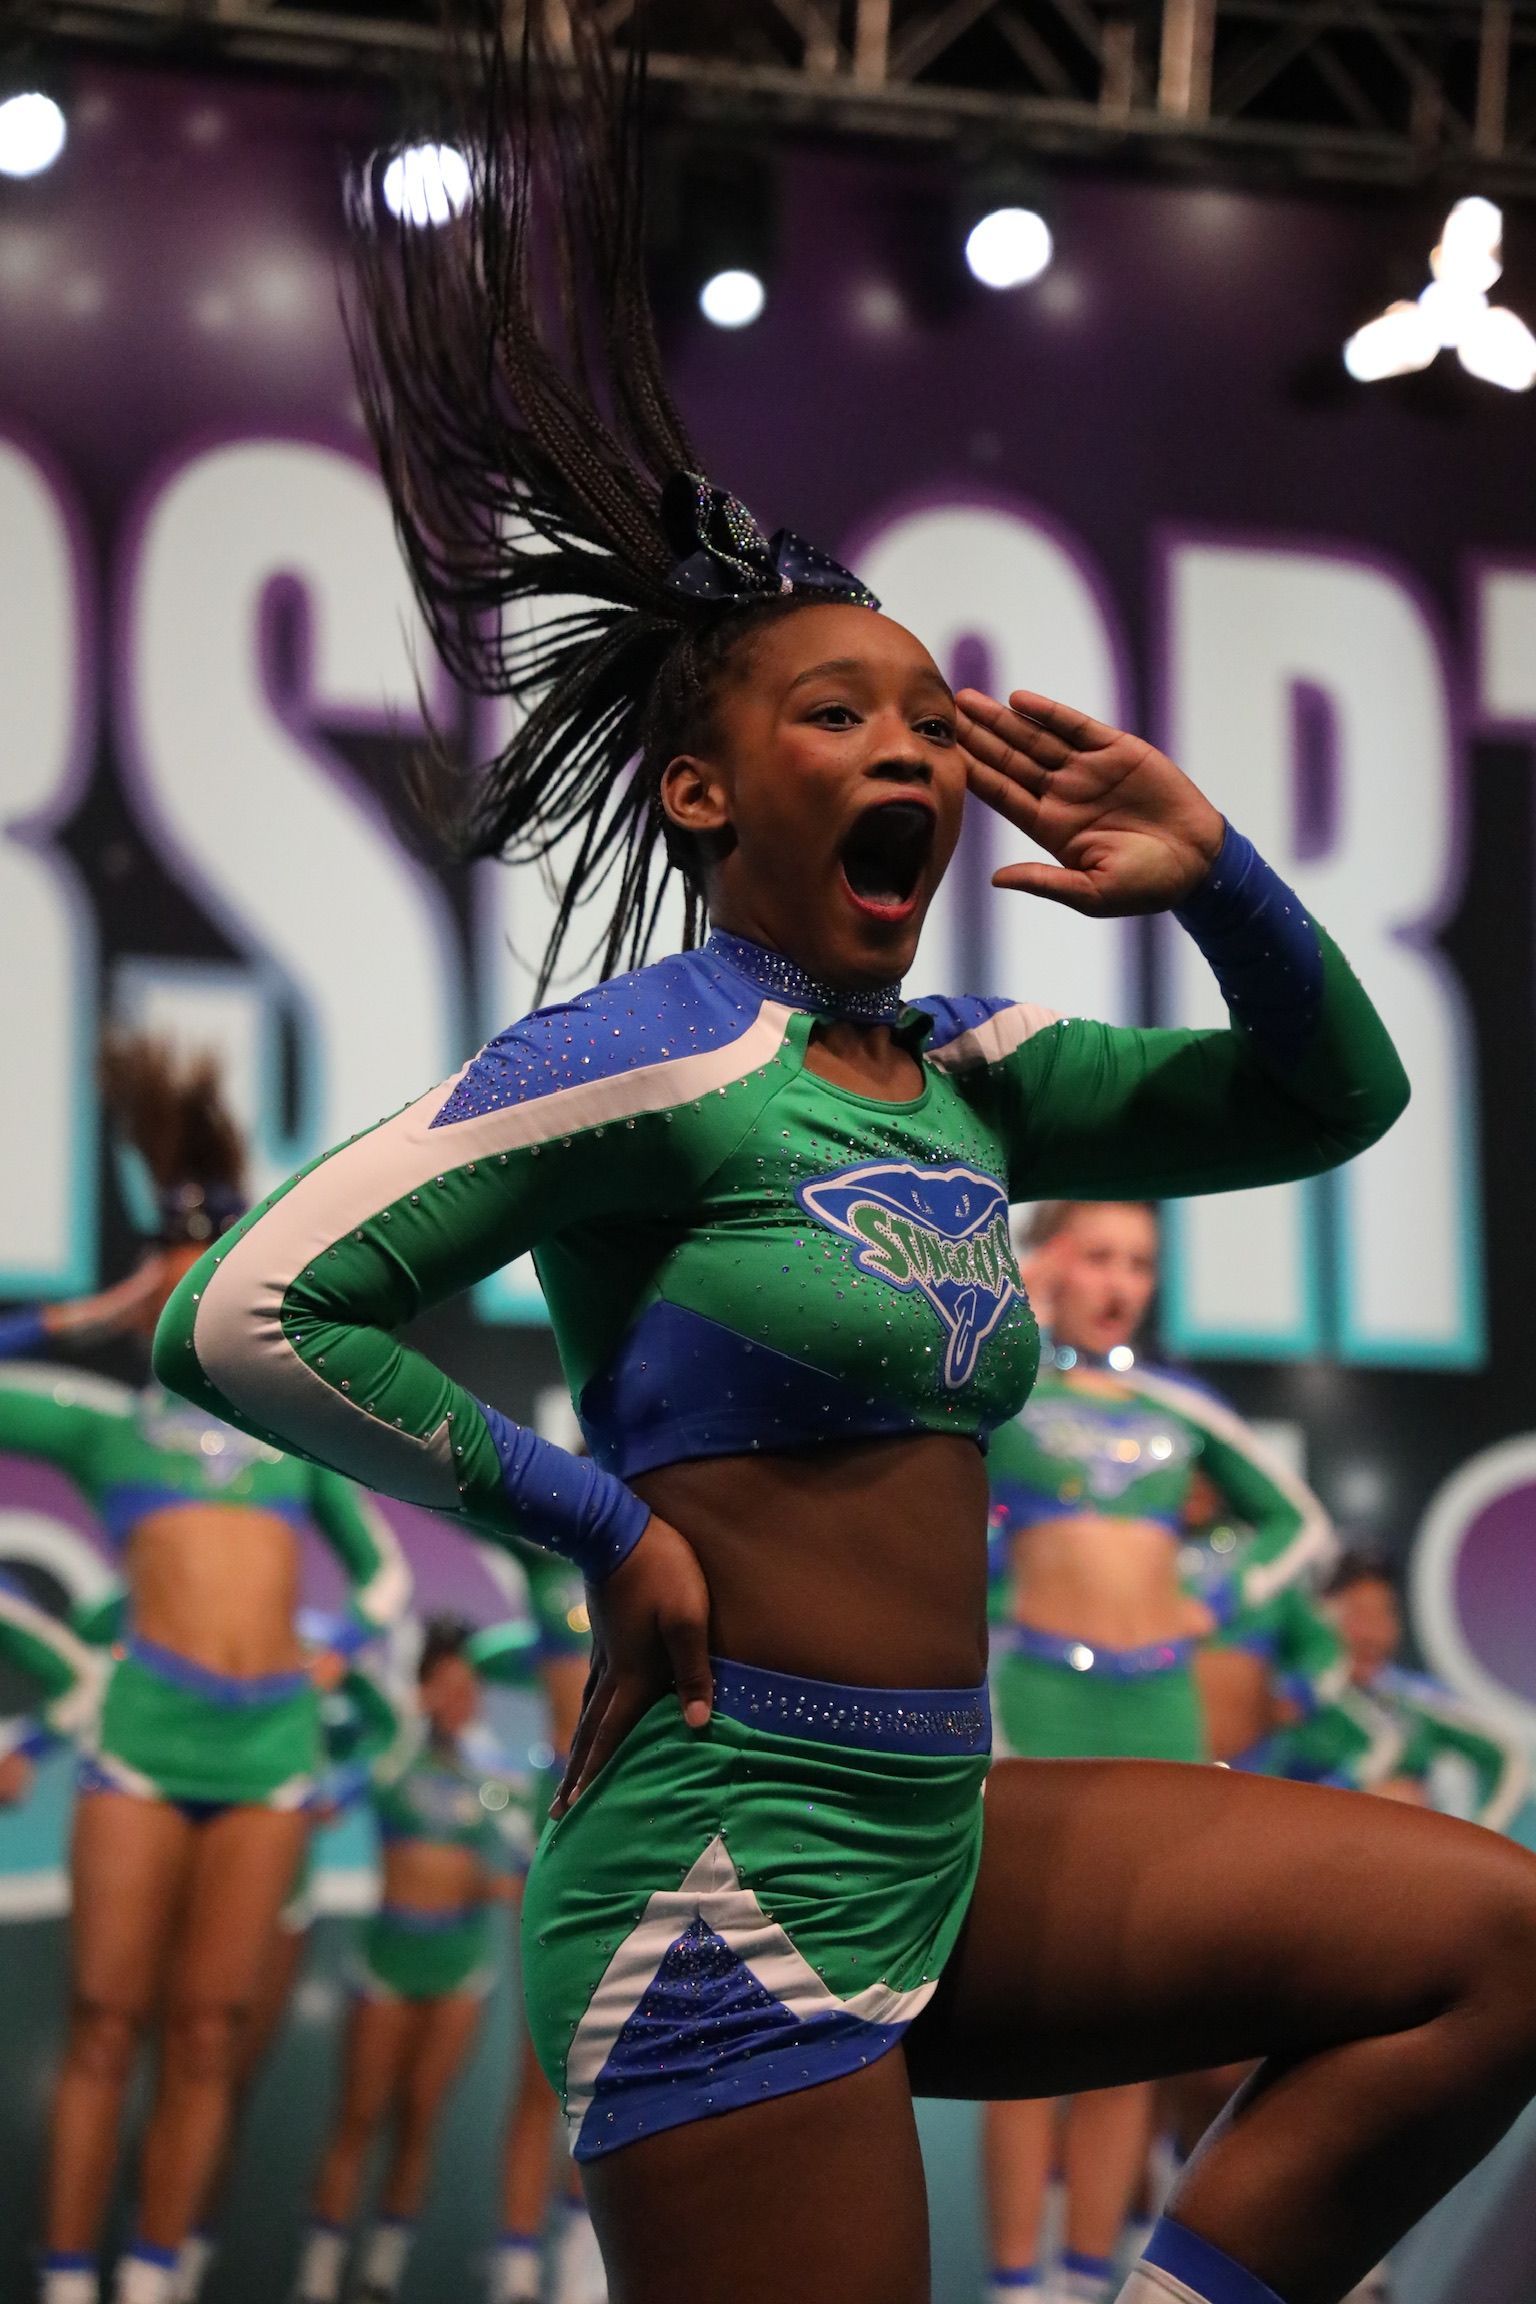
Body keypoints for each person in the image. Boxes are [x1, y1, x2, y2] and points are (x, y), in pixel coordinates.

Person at [154, 12, 1536, 2302]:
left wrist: (1211, 878)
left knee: (1489, 1949)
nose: (914, 750)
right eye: (841, 715)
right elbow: (247, 1310)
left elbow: (1330, 1101)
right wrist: (588, 1519)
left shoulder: (975, 1062)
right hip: (722, 1868)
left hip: (946, 1825)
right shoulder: (646, 1060)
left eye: (929, 719)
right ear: (703, 791)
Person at [0, 1038, 411, 2304]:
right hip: (142, 1740)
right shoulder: (103, 1425)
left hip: (271, 1750)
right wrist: (88, 1315)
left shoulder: (295, 1419)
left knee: (209, 2038)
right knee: (108, 2027)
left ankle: (157, 2281)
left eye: (215, 1249)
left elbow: (387, 1578)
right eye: (178, 1252)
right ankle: (72, 2285)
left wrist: (339, 1661)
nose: (195, 1271)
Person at [981, 1203, 1335, 2304]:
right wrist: (1015, 1310)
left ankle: (1092, 2281)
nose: (1120, 1280)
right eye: (1097, 1255)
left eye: (1139, 1262)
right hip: (1036, 1700)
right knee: (1025, 2020)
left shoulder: (1177, 1407)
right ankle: (1015, 2288)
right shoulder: (996, 1389)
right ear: (1047, 1260)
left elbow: (1300, 1526)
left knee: (1130, 2021)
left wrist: (1213, 1593)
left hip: (1160, 1714)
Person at [294, 1616, 531, 2304]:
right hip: (387, 1961)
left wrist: (498, 1886)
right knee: (359, 2115)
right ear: (423, 1689)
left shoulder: (497, 1778)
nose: (461, 1700)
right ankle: (315, 2277)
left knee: (421, 2117)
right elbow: (331, 1790)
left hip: (461, 1965)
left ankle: (380, 2275)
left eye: (471, 1689)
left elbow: (530, 1863)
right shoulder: (393, 1753)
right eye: (446, 1687)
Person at [1271, 1554, 1528, 1827]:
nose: (1374, 1634)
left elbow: (1506, 1757)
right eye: (1359, 1613)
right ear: (1319, 1616)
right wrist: (1361, 1798)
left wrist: (1480, 1839)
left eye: (1385, 1613)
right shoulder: (1287, 1696)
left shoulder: (1412, 1702)